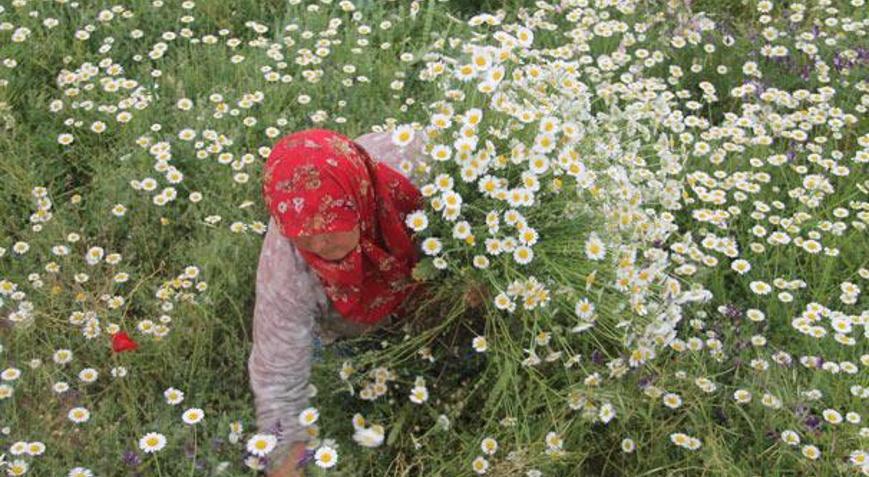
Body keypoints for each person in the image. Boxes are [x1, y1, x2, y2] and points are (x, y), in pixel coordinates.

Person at [248, 127, 428, 477]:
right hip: (350, 329)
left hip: (430, 287)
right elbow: (277, 370)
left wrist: (472, 279)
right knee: (332, 368)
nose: (320, 245)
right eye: (304, 234)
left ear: (359, 198)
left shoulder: (418, 165)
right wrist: (285, 455)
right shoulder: (285, 263)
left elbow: (485, 209)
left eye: (331, 224)